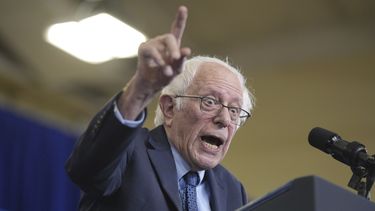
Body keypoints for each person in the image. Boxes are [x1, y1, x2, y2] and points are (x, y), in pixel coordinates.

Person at [65, 5, 255, 211]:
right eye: (209, 102)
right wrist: (141, 87)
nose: (225, 119)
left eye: (234, 110)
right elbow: (85, 169)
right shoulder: (129, 153)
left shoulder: (233, 190)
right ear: (170, 108)